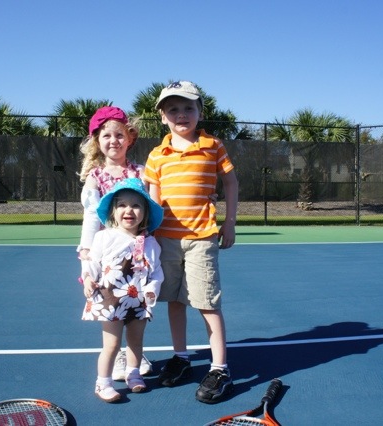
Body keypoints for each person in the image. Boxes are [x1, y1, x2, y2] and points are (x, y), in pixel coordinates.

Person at [143, 80, 239, 404]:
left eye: (188, 107)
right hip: (165, 240)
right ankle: (181, 357)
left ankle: (220, 368)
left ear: (200, 112)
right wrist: (148, 235)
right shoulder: (156, 155)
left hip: (201, 239)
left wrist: (229, 222)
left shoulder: (213, 146)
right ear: (162, 117)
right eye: (173, 109)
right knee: (174, 300)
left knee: (207, 303)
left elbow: (230, 182)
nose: (181, 114)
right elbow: (153, 200)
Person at [78, 106, 153, 380]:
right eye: (107, 135)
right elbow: (91, 217)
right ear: (97, 140)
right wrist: (87, 256)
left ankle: (132, 354)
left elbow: (156, 204)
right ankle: (116, 354)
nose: (114, 141)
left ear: (129, 138)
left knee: (136, 304)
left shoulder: (140, 172)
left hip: (136, 254)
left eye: (119, 135)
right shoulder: (95, 176)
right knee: (112, 304)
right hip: (108, 256)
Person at [80, 177, 164, 402]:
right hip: (110, 298)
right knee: (112, 344)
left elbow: (156, 272)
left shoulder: (151, 243)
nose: (129, 210)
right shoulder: (104, 237)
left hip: (138, 300)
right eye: (122, 205)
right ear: (113, 211)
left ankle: (133, 374)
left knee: (136, 342)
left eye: (136, 205)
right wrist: (88, 279)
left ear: (145, 213)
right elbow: (92, 263)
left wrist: (152, 289)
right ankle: (103, 382)